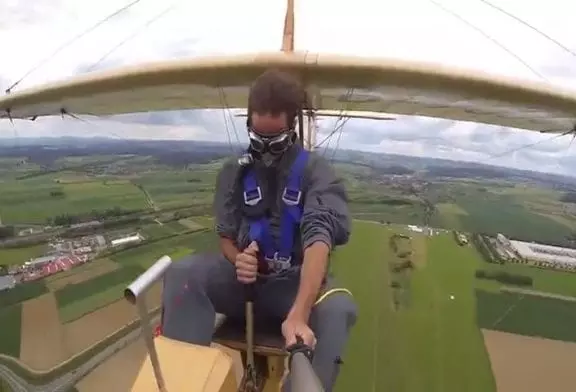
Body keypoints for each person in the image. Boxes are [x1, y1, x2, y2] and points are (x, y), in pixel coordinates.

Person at [160, 69, 357, 391]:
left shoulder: (316, 172)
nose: (264, 149)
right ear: (248, 124)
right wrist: (239, 258)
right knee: (182, 273)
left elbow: (319, 235)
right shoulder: (233, 172)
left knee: (339, 308)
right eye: (257, 138)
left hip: (294, 284)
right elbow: (225, 235)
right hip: (243, 283)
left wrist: (299, 312)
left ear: (292, 128)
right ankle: (182, 383)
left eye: (275, 141)